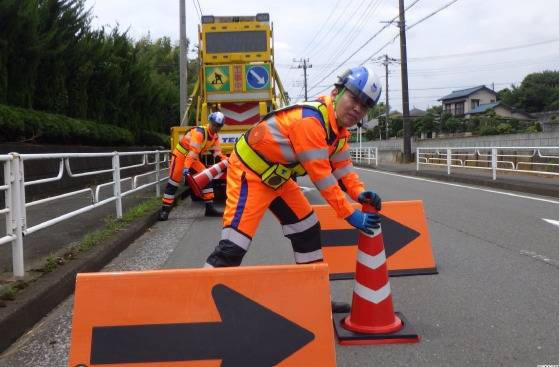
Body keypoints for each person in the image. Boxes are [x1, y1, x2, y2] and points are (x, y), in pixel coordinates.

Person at [203, 66, 383, 313]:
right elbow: (322, 177)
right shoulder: (311, 122)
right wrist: (350, 214)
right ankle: (201, 304)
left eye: (364, 106)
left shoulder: (339, 131)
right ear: (335, 93)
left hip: (278, 178)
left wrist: (358, 192)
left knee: (307, 228)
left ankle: (314, 299)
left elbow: (342, 167)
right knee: (235, 243)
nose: (357, 109)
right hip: (250, 173)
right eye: (354, 99)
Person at [158, 112, 228, 221]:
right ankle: (165, 211)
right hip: (181, 156)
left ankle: (210, 209)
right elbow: (193, 151)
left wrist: (229, 161)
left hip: (192, 158)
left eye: (218, 126)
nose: (216, 127)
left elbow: (217, 154)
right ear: (210, 122)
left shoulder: (214, 137)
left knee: (207, 177)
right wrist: (186, 167)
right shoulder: (200, 133)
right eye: (214, 124)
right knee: (173, 183)